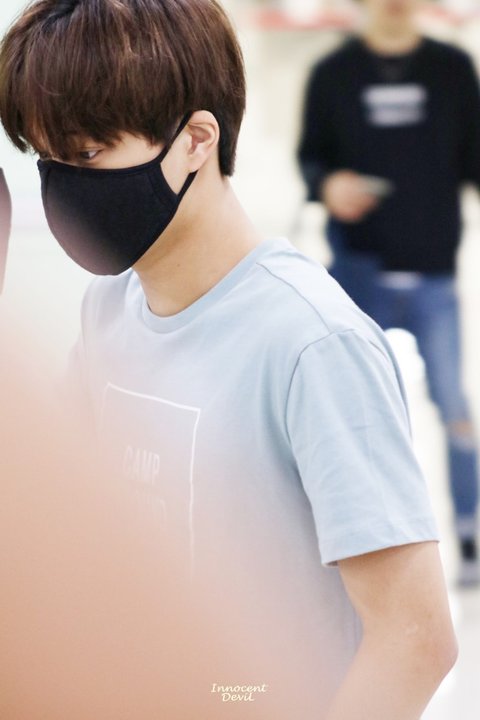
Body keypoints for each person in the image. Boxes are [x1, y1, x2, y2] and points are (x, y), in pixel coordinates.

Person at [0, 1, 457, 717]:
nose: (64, 186)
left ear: (196, 141)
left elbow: (415, 640)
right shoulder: (108, 308)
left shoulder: (312, 342)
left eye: (86, 155)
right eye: (46, 159)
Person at [298, 0, 480, 587]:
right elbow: (310, 160)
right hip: (358, 274)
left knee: (454, 408)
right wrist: (329, 185)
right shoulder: (334, 74)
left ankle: (470, 537)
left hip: (434, 273)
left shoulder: (452, 70)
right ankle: (357, 552)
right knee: (354, 417)